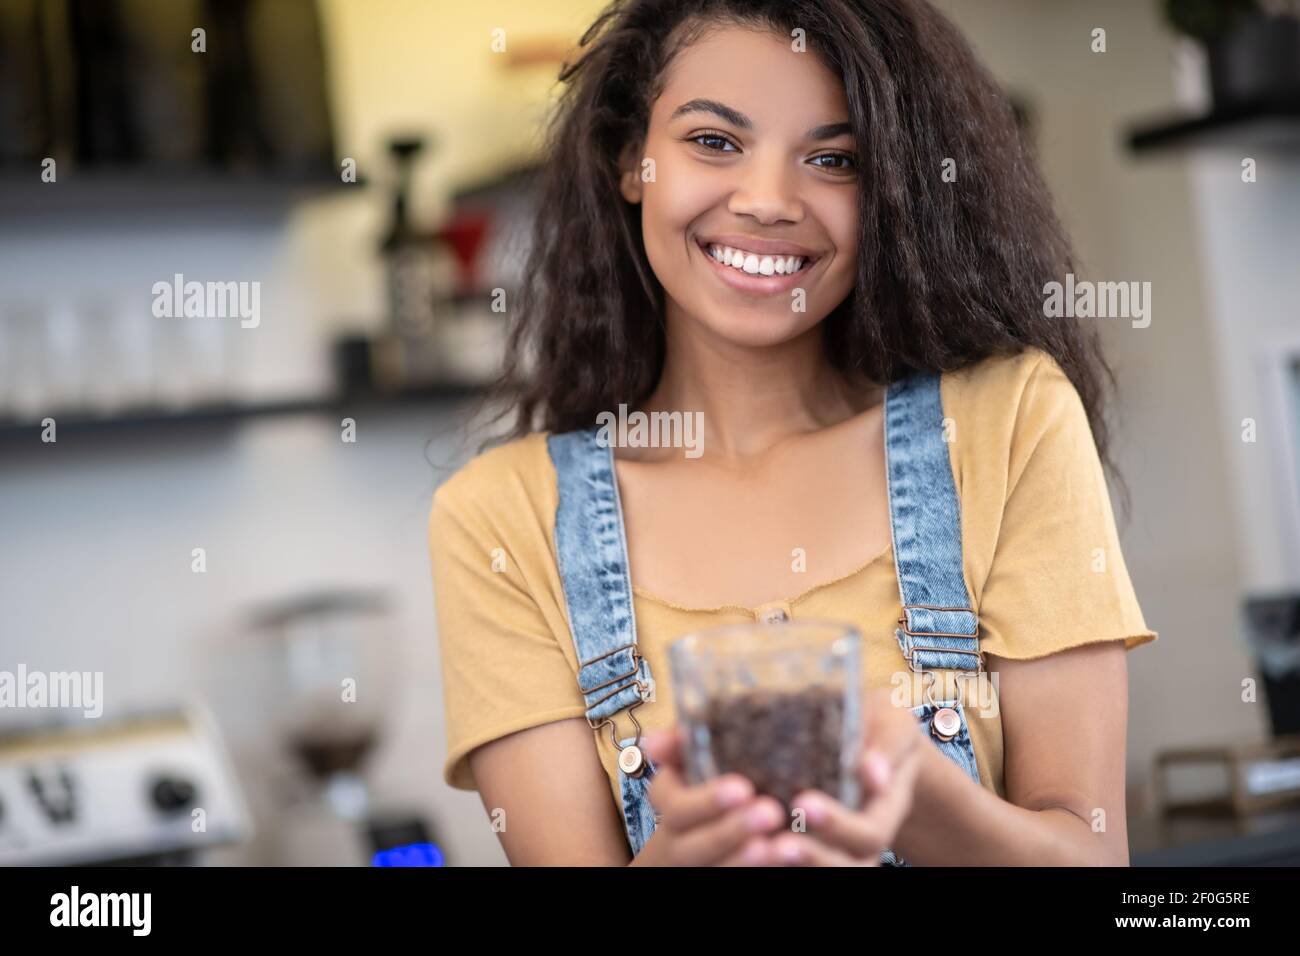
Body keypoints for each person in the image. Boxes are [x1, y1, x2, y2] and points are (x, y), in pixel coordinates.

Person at [429, 0, 1156, 866]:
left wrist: (914, 790)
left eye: (833, 158)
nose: (769, 201)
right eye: (713, 142)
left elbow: (1095, 860)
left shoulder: (1009, 421)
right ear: (632, 159)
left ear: (890, 184)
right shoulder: (500, 522)